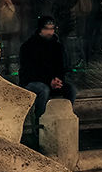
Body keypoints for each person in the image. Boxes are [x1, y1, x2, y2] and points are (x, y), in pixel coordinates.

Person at [16, 16, 72, 148]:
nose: (50, 32)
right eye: (47, 29)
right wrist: (49, 81)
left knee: (71, 90)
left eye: (52, 29)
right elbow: (30, 71)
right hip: (32, 81)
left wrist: (58, 79)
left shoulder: (57, 46)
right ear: (40, 29)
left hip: (51, 80)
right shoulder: (29, 46)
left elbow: (62, 66)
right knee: (43, 90)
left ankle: (67, 121)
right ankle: (39, 124)